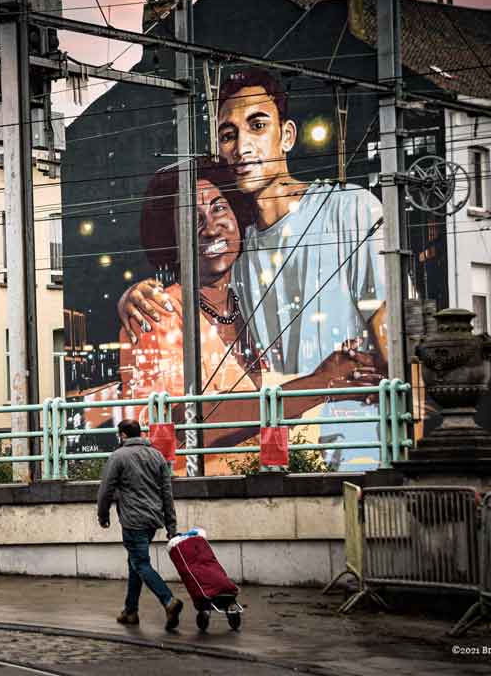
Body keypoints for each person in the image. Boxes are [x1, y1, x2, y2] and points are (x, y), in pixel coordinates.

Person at [119, 68, 389, 469]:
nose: (243, 146)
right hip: (278, 465)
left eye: (257, 125)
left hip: (363, 456)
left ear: (288, 135)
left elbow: (395, 349)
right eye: (229, 134)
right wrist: (135, 294)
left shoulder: (351, 209)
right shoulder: (234, 252)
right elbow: (164, 426)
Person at [97, 418, 183, 630]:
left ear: (123, 435)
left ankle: (168, 601)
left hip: (133, 520)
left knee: (141, 563)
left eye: (119, 435)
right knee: (135, 563)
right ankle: (130, 611)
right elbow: (167, 493)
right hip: (153, 520)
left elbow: (106, 489)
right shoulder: (157, 456)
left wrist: (103, 515)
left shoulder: (118, 456)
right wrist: (171, 526)